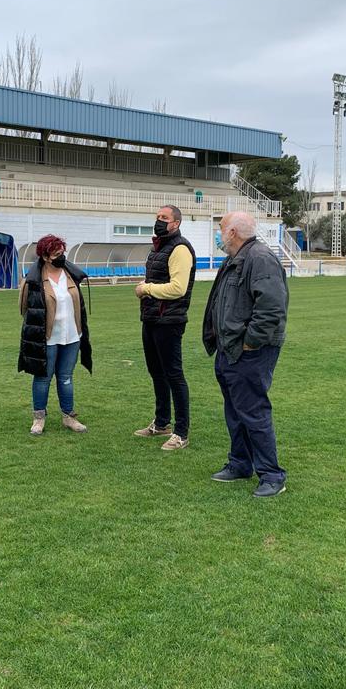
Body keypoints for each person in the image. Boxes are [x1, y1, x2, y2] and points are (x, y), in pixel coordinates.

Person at [202, 211, 288, 496]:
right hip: (229, 349)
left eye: (221, 228)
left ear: (233, 232)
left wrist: (251, 342)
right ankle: (240, 463)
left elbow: (272, 308)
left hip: (250, 351)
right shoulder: (234, 259)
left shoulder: (259, 259)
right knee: (235, 411)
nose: (219, 233)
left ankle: (272, 475)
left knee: (253, 412)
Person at [133, 205, 196, 451]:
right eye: (157, 217)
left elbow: (178, 288)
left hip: (169, 320)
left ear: (176, 223)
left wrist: (146, 288)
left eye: (164, 218)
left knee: (174, 374)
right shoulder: (157, 247)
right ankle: (161, 423)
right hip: (151, 318)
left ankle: (181, 432)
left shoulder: (180, 248)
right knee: (156, 372)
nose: (159, 221)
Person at [18, 234, 92, 435]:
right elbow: (24, 308)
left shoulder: (70, 274)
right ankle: (39, 418)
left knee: (66, 377)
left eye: (62, 252)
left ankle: (69, 416)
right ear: (45, 256)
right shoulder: (33, 280)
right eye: (56, 253)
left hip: (72, 336)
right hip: (47, 337)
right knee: (42, 377)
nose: (61, 256)